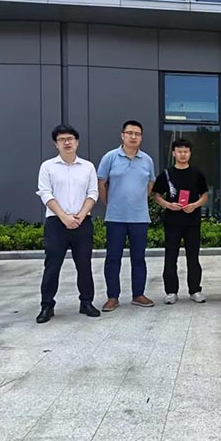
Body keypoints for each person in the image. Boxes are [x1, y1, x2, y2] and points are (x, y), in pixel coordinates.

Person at [35, 125, 100, 323]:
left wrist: (80, 215)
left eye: (70, 138)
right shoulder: (47, 167)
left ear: (77, 142)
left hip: (82, 222)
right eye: (62, 139)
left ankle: (86, 302)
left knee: (84, 265)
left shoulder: (88, 167)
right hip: (56, 222)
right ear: (56, 144)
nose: (67, 142)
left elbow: (93, 193)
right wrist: (64, 216)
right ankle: (47, 305)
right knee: (52, 265)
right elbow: (45, 193)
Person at [97, 120, 156, 311]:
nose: (133, 137)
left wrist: (138, 202)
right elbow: (101, 184)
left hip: (140, 218)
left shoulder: (147, 160)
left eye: (137, 134)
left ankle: (138, 294)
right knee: (113, 258)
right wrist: (110, 204)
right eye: (129, 133)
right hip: (116, 218)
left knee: (139, 258)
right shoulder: (110, 157)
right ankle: (112, 297)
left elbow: (150, 184)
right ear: (122, 135)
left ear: (141, 137)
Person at [152, 138, 208, 304]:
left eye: (186, 151)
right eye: (179, 151)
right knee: (171, 256)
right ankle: (171, 291)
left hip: (192, 221)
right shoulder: (166, 174)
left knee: (193, 257)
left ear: (190, 153)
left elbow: (205, 196)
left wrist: (195, 205)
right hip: (172, 221)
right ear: (173, 153)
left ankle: (195, 290)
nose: (183, 154)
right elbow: (156, 195)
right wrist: (168, 205)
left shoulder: (197, 173)